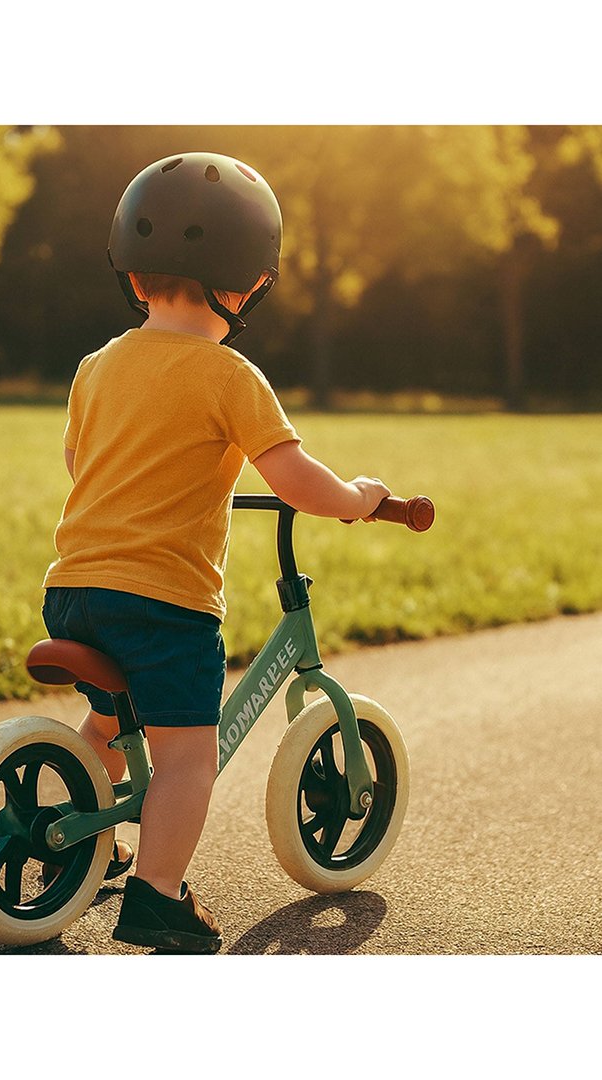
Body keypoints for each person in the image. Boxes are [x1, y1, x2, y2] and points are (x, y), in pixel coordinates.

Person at [42, 152, 390, 953]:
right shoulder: (230, 373)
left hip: (73, 589)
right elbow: (295, 477)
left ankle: (84, 834)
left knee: (109, 723)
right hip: (163, 602)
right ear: (246, 283)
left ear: (135, 277)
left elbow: (80, 465)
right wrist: (355, 500)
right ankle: (158, 896)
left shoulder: (96, 367)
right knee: (187, 756)